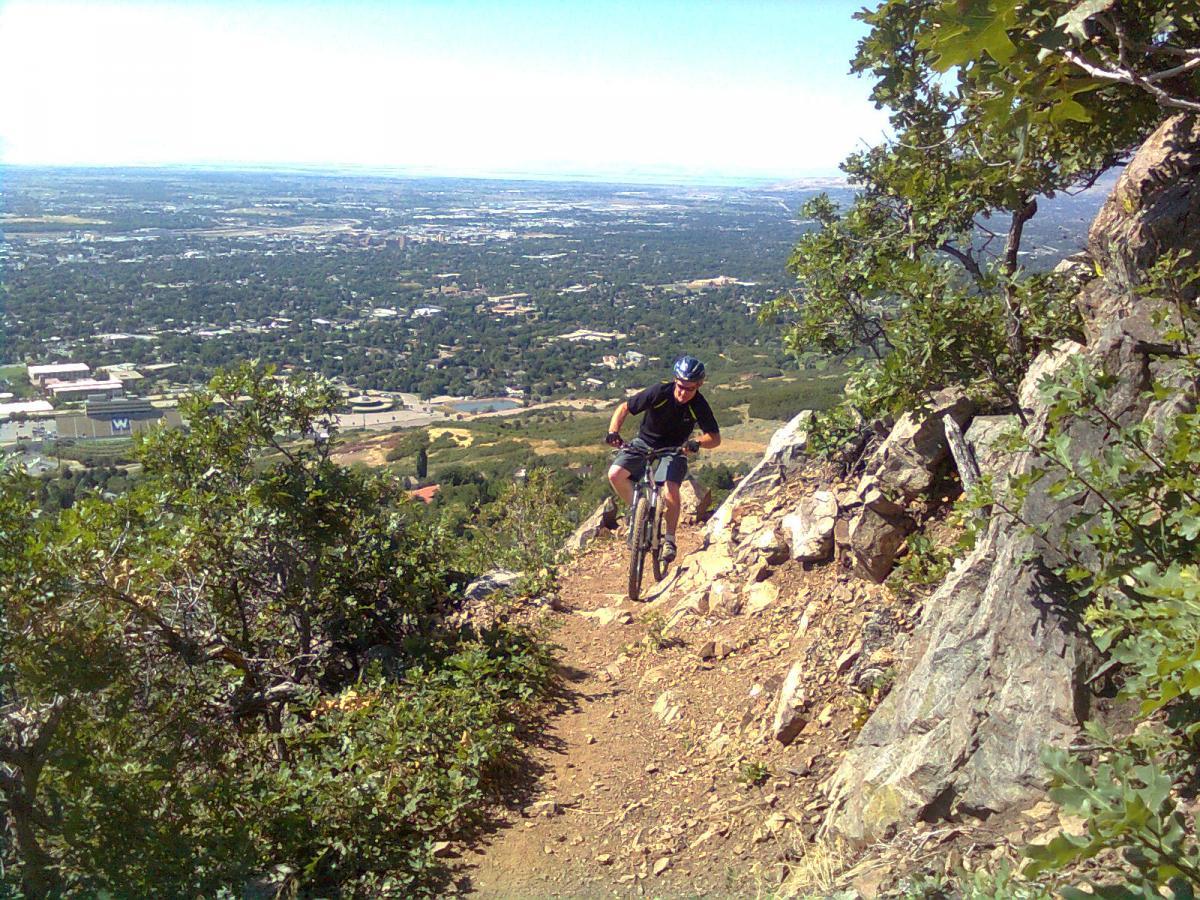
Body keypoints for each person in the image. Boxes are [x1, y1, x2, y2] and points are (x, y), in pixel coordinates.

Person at [605, 355, 721, 564]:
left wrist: (697, 442)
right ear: (675, 380)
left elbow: (715, 438)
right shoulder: (660, 391)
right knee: (615, 474)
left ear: (699, 386)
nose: (683, 392)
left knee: (670, 490)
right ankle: (638, 514)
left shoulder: (699, 404)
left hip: (675, 449)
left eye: (689, 389)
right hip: (644, 442)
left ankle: (669, 539)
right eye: (680, 386)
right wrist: (613, 431)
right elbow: (624, 408)